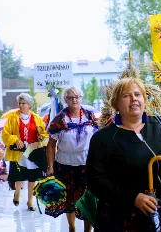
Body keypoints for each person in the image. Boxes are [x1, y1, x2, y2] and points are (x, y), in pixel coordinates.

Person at [86, 77, 161, 232]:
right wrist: (132, 198)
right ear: (116, 103)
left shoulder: (160, 124)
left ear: (144, 99)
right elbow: (95, 180)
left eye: (137, 94)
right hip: (125, 215)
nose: (133, 99)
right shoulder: (103, 138)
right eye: (126, 96)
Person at [46, 87, 98, 232]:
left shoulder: (91, 116)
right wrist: (50, 167)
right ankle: (72, 227)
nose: (74, 100)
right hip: (65, 165)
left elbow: (100, 138)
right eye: (70, 98)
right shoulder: (59, 120)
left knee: (87, 198)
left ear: (81, 98)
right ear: (65, 100)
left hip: (87, 164)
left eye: (77, 97)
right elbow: (51, 145)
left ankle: (88, 230)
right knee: (69, 199)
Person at [1, 93, 48, 210]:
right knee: (19, 175)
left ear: (29, 105)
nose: (21, 105)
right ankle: (17, 192)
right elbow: (5, 135)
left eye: (23, 103)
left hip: (32, 151)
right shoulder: (13, 118)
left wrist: (42, 137)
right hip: (18, 152)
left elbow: (43, 133)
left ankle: (30, 201)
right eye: (19, 103)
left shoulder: (37, 118)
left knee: (32, 177)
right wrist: (15, 139)